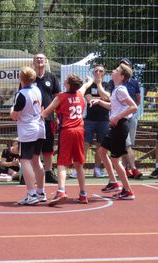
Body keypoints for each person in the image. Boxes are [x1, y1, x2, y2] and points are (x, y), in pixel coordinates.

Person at [42, 74, 92, 206]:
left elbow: (46, 113)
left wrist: (38, 111)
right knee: (78, 164)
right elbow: (85, 86)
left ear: (69, 85)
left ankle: (61, 191)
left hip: (67, 131)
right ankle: (83, 194)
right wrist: (90, 81)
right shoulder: (80, 94)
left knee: (62, 163)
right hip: (80, 131)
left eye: (67, 80)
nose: (64, 80)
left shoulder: (61, 97)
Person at [91, 64, 138, 200]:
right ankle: (113, 182)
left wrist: (117, 117)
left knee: (115, 160)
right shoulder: (117, 90)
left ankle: (128, 191)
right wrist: (99, 102)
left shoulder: (121, 90)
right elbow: (112, 106)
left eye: (116, 70)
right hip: (115, 126)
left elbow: (133, 107)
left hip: (120, 126)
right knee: (101, 152)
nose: (113, 71)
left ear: (122, 76)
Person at [11, 66, 47, 205]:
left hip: (28, 130)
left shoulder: (21, 94)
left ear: (21, 78)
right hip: (39, 128)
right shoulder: (37, 89)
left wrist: (11, 111)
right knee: (36, 160)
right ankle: (41, 192)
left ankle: (31, 193)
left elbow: (15, 116)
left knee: (25, 160)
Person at [108, 58, 142, 179]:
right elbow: (112, 102)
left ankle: (124, 175)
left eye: (124, 66)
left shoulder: (130, 84)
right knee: (124, 144)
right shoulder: (115, 85)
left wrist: (125, 113)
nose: (120, 68)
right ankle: (129, 169)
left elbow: (136, 102)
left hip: (126, 117)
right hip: (120, 119)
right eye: (120, 66)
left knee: (127, 144)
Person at [32, 53, 61, 184]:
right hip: (32, 119)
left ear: (46, 61)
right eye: (37, 58)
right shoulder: (29, 77)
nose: (39, 60)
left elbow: (58, 98)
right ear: (33, 62)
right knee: (33, 147)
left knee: (48, 147)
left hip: (48, 118)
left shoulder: (52, 78)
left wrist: (57, 115)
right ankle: (32, 173)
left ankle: (49, 172)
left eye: (41, 58)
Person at [82, 65, 111, 178]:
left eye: (101, 71)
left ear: (104, 73)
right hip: (89, 120)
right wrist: (102, 98)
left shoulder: (107, 85)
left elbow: (108, 97)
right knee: (85, 144)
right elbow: (90, 100)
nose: (98, 72)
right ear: (93, 73)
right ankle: (80, 168)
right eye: (96, 71)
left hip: (103, 120)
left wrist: (99, 85)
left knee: (101, 145)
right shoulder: (89, 85)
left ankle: (97, 168)